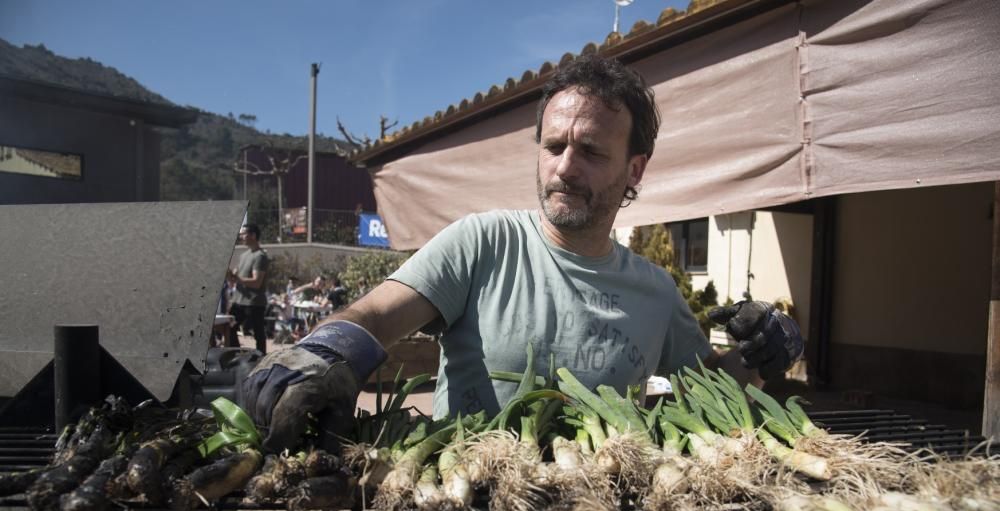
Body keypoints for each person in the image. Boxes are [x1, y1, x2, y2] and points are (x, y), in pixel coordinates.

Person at [242, 55, 803, 451]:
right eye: (553, 146)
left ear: (634, 170)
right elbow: (377, 314)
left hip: (604, 509)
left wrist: (760, 353)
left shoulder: (655, 290)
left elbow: (709, 390)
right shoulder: (483, 242)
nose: (564, 166)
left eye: (589, 151)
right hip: (464, 499)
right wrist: (323, 352)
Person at [227, 223, 269, 354]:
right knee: (230, 327)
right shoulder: (243, 255)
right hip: (238, 301)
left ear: (253, 235)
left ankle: (261, 358)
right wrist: (229, 274)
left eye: (243, 234)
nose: (241, 237)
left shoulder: (260, 256)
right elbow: (236, 276)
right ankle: (238, 355)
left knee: (258, 333)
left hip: (254, 303)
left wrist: (237, 278)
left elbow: (256, 282)